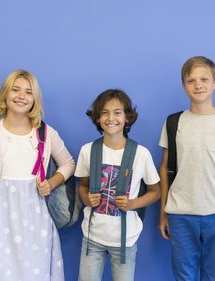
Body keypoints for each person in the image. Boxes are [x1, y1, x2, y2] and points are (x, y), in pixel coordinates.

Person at [0, 69, 75, 281]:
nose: (21, 96)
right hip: (1, 224)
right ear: (5, 95)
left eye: (28, 92)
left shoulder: (45, 133)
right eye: (15, 90)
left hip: (38, 224)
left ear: (35, 99)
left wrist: (52, 183)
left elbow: (68, 163)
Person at [158, 56, 215, 281]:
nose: (198, 85)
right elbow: (164, 169)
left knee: (214, 274)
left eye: (204, 79)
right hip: (180, 214)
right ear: (184, 86)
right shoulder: (173, 122)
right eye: (191, 80)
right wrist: (163, 212)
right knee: (184, 275)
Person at [75, 89, 161, 281]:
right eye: (104, 112)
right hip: (92, 238)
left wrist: (132, 204)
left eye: (117, 112)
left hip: (126, 240)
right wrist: (86, 198)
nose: (110, 117)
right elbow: (82, 186)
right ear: (97, 118)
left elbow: (156, 192)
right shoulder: (88, 151)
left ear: (127, 118)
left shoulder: (141, 154)